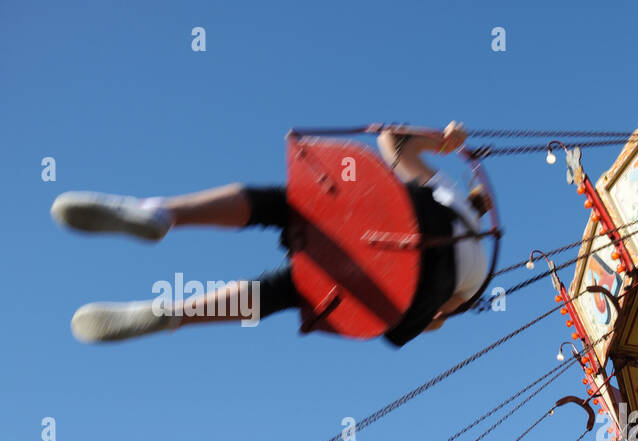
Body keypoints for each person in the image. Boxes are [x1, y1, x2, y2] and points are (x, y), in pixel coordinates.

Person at [50, 122, 491, 345]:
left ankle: (162, 214)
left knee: (288, 205)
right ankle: (175, 314)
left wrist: (444, 141)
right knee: (292, 291)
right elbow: (435, 320)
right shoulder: (483, 265)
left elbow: (393, 141)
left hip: (410, 227)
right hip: (409, 290)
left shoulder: (445, 189)